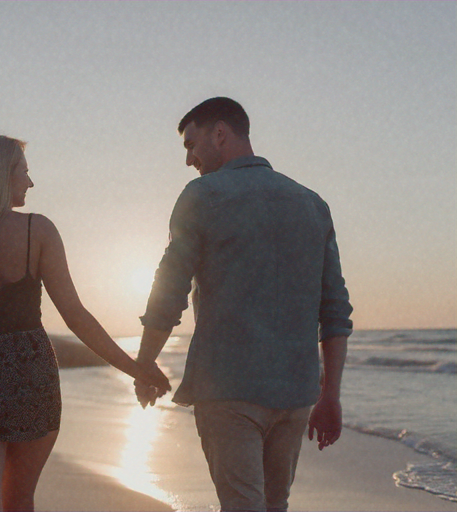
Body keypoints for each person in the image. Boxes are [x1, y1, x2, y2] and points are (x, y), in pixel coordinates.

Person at [134, 97, 353, 511]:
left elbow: (169, 289)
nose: (189, 159)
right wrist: (331, 395)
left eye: (191, 144)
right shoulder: (312, 203)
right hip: (296, 392)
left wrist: (145, 362)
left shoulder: (203, 195)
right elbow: (335, 310)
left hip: (228, 389)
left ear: (221, 133)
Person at [0, 135, 170, 512]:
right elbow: (76, 316)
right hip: (29, 376)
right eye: (24, 173)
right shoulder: (38, 231)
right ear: (1, 176)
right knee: (18, 500)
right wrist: (138, 369)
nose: (30, 183)